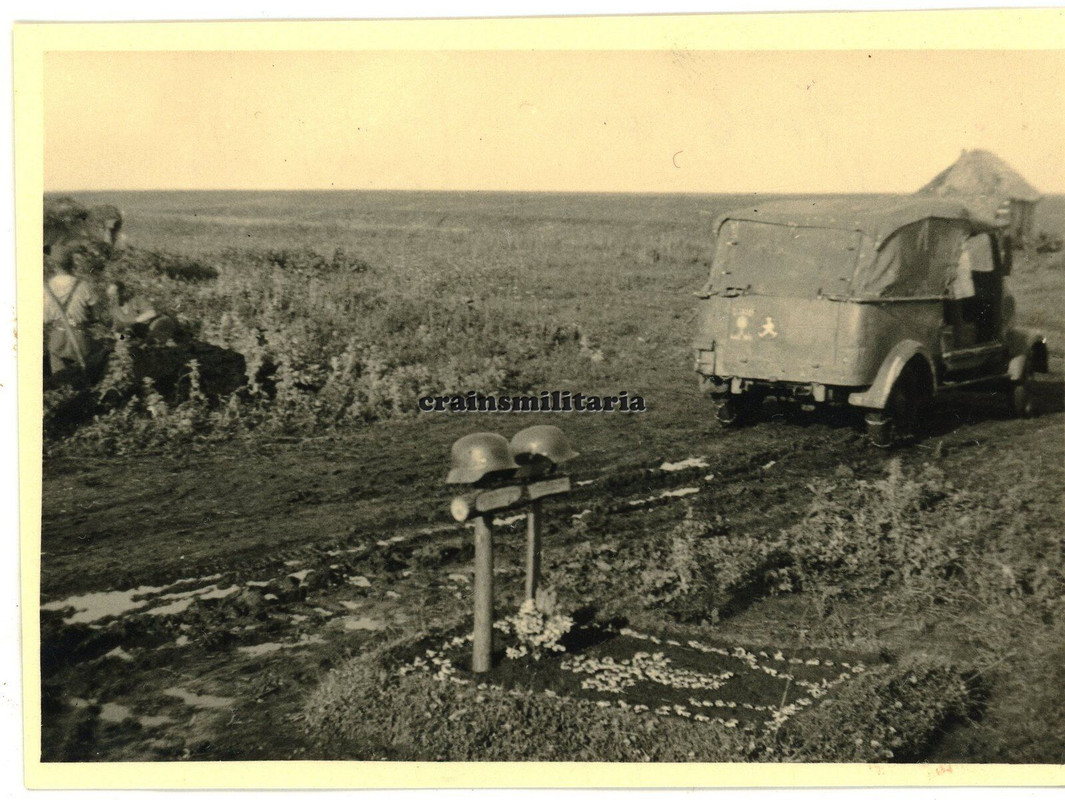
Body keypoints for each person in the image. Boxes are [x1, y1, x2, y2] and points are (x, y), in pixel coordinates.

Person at [44, 246, 107, 383]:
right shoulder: (83, 285)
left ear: (54, 265)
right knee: (84, 377)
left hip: (57, 336)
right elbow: (97, 315)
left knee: (59, 381)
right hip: (80, 336)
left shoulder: (47, 287)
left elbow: (45, 318)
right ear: (72, 264)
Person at [106, 281, 178, 344]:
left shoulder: (135, 300)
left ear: (122, 292)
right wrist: (123, 338)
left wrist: (133, 321)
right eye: (109, 296)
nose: (112, 298)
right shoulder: (115, 310)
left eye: (114, 295)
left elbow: (151, 313)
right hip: (142, 334)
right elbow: (117, 330)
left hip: (159, 324)